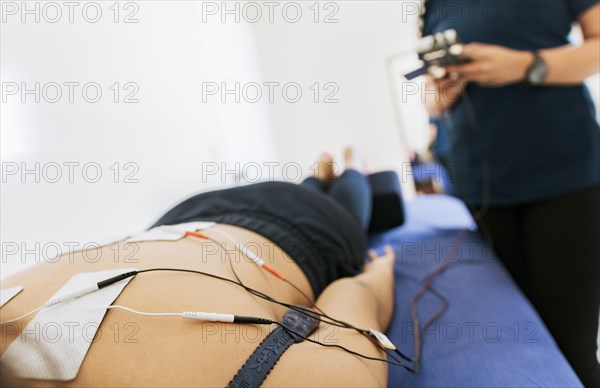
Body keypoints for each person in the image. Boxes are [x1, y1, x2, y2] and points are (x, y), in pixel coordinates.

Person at [0, 149, 396, 387]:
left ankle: (339, 169)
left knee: (342, 206)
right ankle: (341, 168)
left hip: (285, 235)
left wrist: (376, 277)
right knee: (334, 194)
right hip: (185, 218)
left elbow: (352, 302)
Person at [421, 1, 600, 385]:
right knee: (514, 345)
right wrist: (441, 93)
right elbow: (431, 103)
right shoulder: (433, 5)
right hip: (481, 192)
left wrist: (524, 65)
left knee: (572, 347)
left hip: (566, 180)